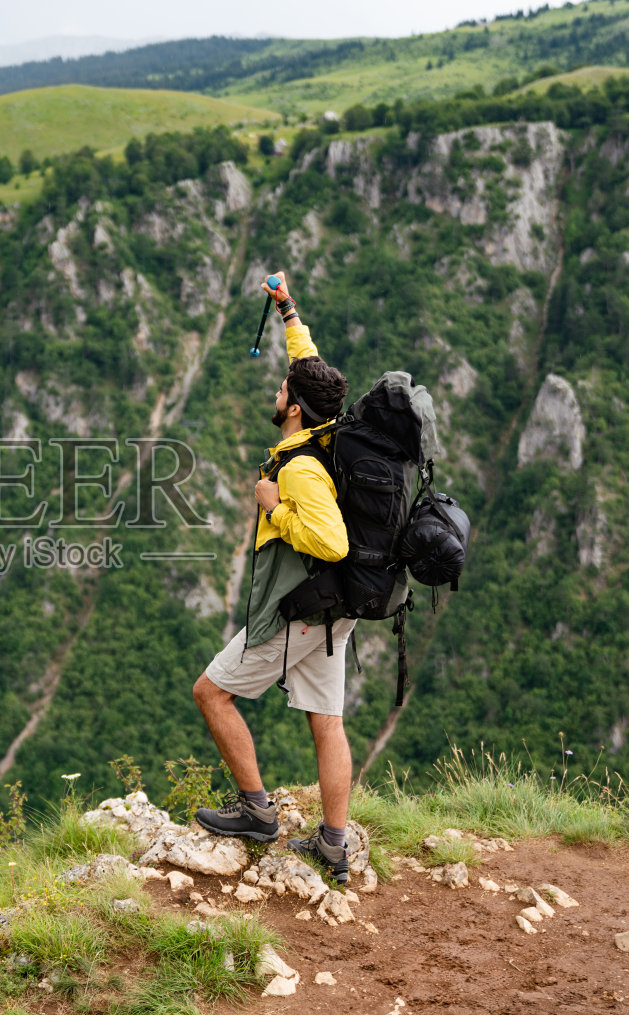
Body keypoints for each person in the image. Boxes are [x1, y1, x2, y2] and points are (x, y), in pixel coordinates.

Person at [190, 272, 358, 884]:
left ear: (294, 409)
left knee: (211, 693)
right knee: (328, 722)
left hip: (295, 612)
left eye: (284, 387)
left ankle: (259, 813)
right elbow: (310, 365)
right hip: (331, 611)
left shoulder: (300, 471)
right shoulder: (327, 428)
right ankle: (334, 845)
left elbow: (332, 543)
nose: (280, 387)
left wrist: (273, 506)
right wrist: (288, 311)